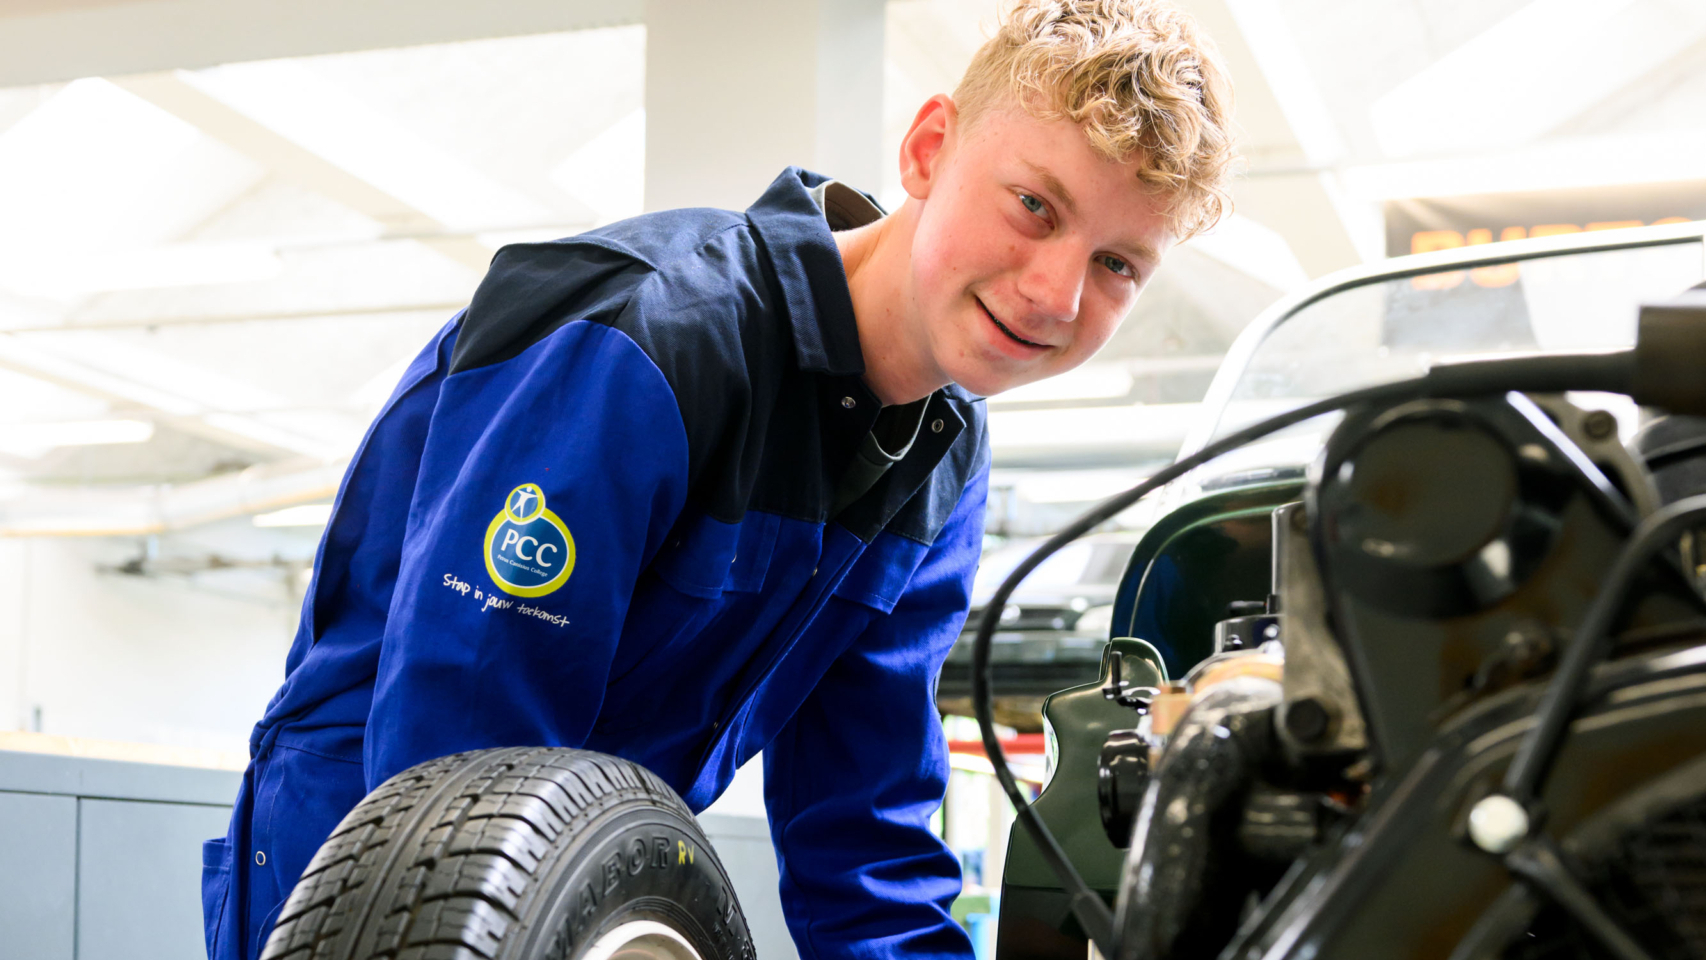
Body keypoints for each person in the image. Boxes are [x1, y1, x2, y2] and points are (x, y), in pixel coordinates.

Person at [201, 1, 1235, 958]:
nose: (1054, 291)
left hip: (589, 858)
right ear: (928, 150)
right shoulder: (652, 340)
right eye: (1032, 205)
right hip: (376, 845)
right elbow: (459, 762)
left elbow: (863, 837)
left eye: (1116, 266)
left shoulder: (941, 464)